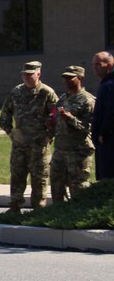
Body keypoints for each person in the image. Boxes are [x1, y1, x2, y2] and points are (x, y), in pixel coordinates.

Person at [0, 60, 58, 210]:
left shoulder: (46, 93)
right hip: (20, 145)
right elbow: (5, 114)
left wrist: (49, 135)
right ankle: (14, 207)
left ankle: (38, 209)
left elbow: (56, 117)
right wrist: (10, 132)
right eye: (24, 74)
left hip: (39, 146)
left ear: (38, 74)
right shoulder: (16, 92)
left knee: (40, 178)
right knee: (17, 175)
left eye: (30, 74)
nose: (26, 77)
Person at [49, 65, 95, 203]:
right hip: (60, 150)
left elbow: (89, 127)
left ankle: (76, 217)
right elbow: (56, 121)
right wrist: (51, 125)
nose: (66, 81)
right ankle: (58, 216)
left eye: (70, 78)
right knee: (56, 185)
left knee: (78, 188)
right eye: (65, 78)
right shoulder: (63, 99)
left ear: (80, 78)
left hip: (78, 151)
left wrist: (70, 119)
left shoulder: (88, 100)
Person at [92, 50, 114, 180]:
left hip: (109, 139)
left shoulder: (110, 85)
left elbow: (111, 111)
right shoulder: (105, 84)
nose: (95, 68)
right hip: (105, 138)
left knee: (107, 176)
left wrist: (103, 133)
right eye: (94, 64)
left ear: (109, 66)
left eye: (98, 64)